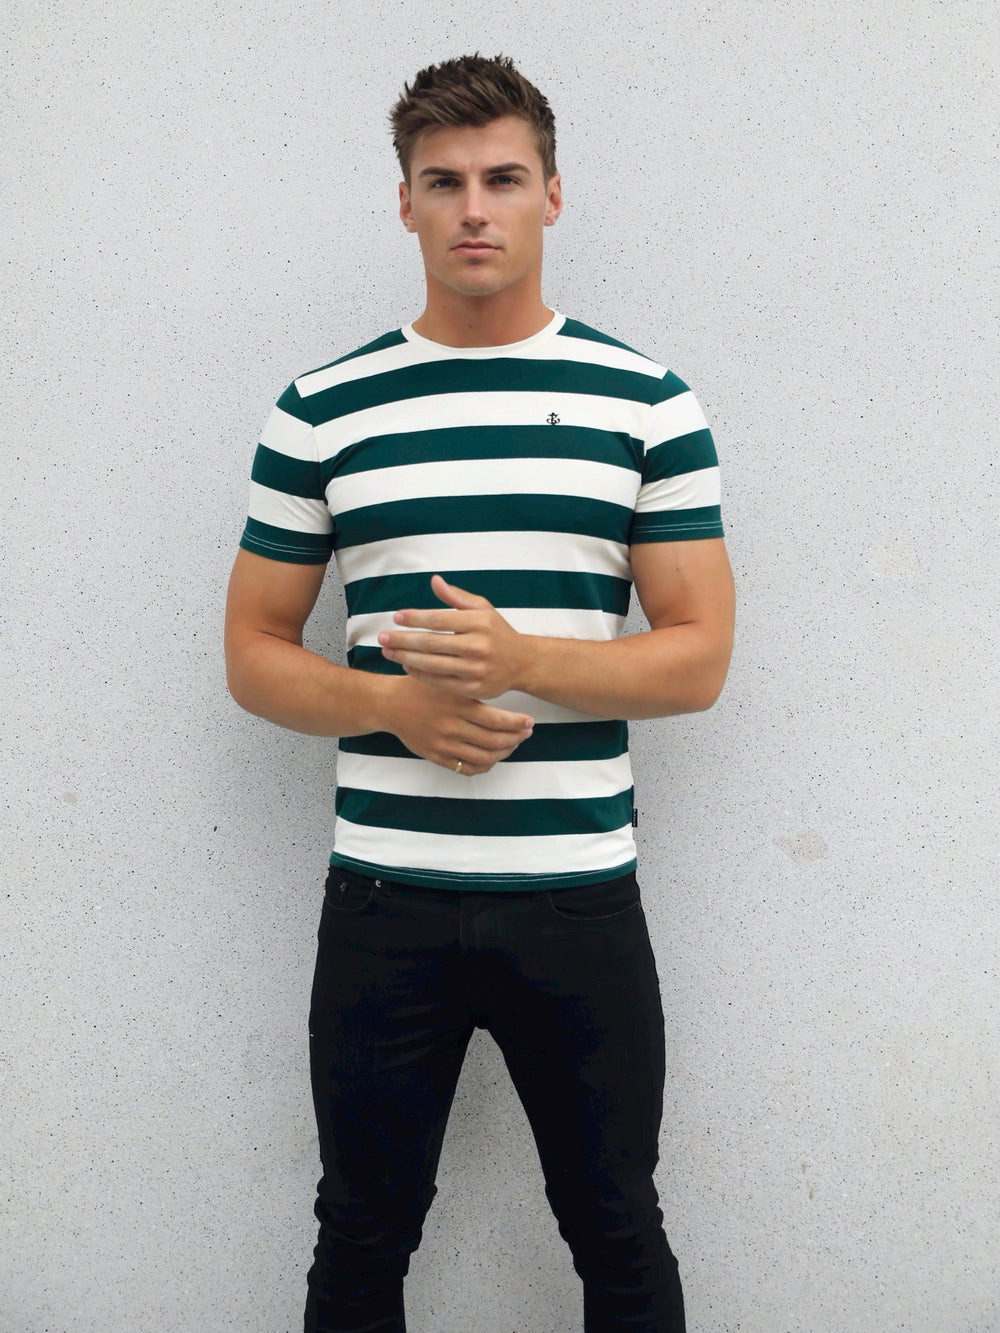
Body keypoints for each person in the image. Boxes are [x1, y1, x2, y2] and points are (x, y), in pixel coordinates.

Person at [225, 51, 734, 1333]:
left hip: (578, 897)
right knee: (359, 1234)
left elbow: (698, 658)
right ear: (403, 202)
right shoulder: (322, 408)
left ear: (552, 195)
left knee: (616, 1226)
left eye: (503, 178)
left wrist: (523, 662)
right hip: (383, 901)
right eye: (442, 181)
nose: (473, 208)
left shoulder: (646, 401)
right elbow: (252, 652)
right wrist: (394, 707)